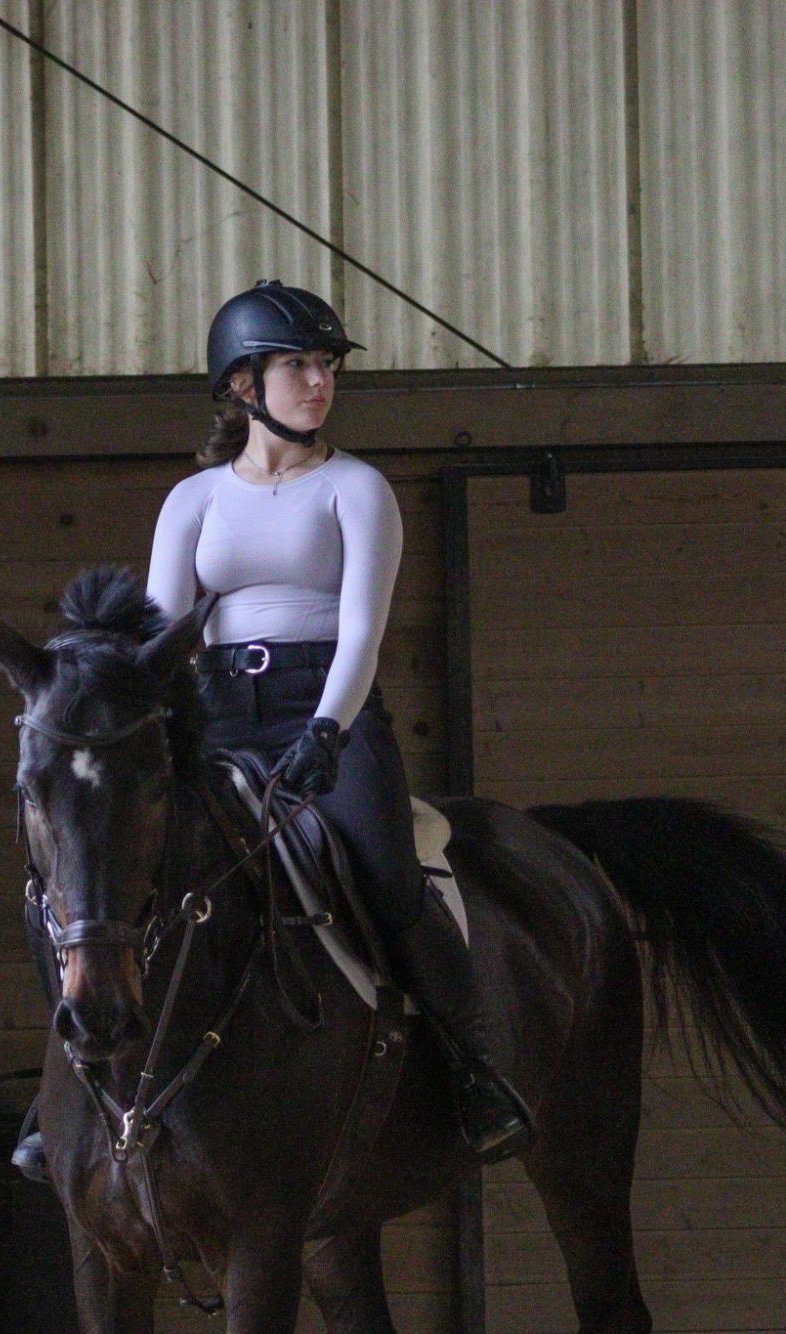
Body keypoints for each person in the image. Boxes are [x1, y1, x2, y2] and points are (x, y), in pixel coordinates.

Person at [143, 279, 533, 1162]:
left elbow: (362, 627)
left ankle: (475, 1068)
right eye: (296, 365)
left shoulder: (355, 489)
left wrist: (326, 729)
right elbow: (162, 631)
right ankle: (63, 1097)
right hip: (216, 716)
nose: (318, 382)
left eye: (325, 366)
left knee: (386, 870)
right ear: (245, 386)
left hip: (328, 706)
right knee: (115, 874)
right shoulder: (193, 501)